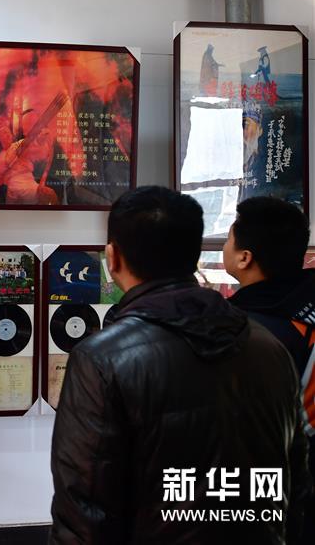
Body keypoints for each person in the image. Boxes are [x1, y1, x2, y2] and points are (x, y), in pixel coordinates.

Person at [50, 186, 310, 544]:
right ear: (194, 255)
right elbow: (295, 483)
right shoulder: (267, 345)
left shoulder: (101, 359)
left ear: (113, 257)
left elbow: (84, 510)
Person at [222, 196, 315, 542]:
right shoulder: (302, 305)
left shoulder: (245, 332)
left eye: (229, 238)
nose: (226, 245)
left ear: (244, 258)